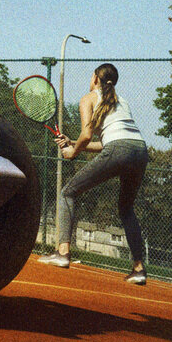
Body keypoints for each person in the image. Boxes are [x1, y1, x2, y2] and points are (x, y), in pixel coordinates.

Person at [40, 63, 150, 284]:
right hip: (140, 151)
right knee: (126, 209)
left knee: (68, 193)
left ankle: (63, 253)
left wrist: (72, 152)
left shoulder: (88, 98)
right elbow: (109, 142)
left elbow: (88, 135)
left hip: (120, 149)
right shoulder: (122, 101)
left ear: (95, 79)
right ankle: (138, 269)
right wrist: (73, 143)